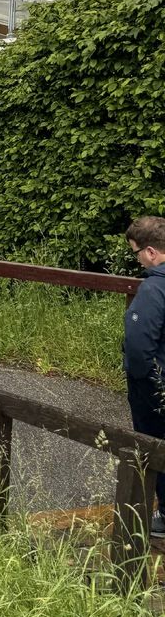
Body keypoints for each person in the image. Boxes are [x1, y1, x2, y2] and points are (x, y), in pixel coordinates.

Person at [124, 216, 165, 537]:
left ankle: (164, 516)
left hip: (156, 389)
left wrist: (145, 386)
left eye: (136, 252)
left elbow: (139, 349)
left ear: (151, 252)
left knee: (154, 447)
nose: (137, 259)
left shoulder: (153, 289)